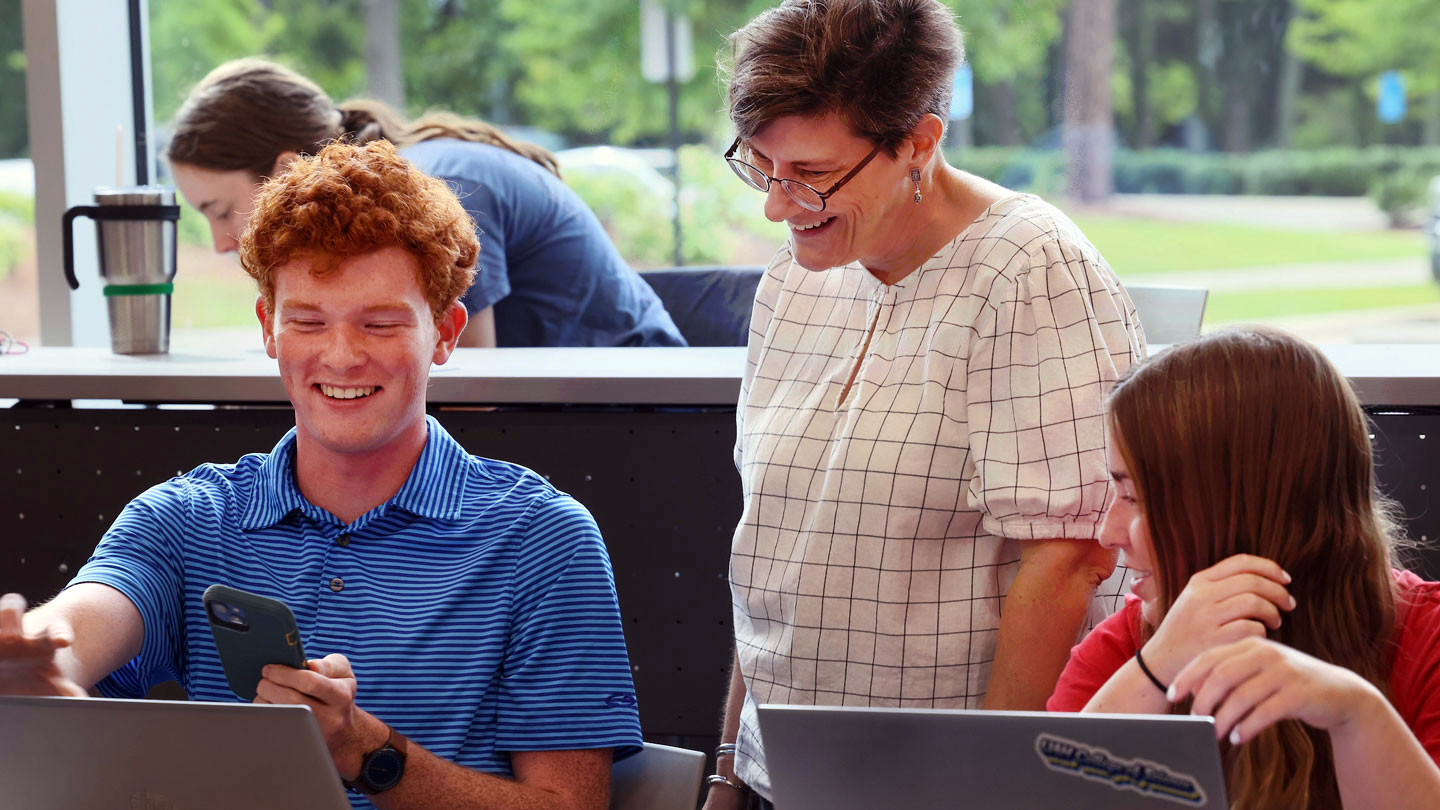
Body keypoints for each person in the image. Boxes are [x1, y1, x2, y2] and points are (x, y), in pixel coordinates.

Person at [0, 141, 642, 810]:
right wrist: (33, 667)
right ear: (269, 328)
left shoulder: (541, 539)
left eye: (381, 323)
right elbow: (79, 629)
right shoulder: (184, 519)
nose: (341, 356)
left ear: (447, 332)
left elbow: (570, 808)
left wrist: (365, 750)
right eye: (307, 321)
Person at [706, 1, 1144, 806]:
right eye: (760, 165)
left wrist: (992, 783)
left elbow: (1071, 556)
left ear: (919, 141)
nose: (777, 204)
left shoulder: (1028, 270)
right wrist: (730, 769)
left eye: (810, 173)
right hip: (788, 770)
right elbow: (775, 549)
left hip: (940, 780)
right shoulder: (793, 280)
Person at [1048, 327, 1440, 809]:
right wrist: (1153, 672)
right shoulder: (1129, 647)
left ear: (1235, 511)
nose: (1107, 533)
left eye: (1132, 496)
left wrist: (1357, 715)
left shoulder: (1426, 639)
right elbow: (1042, 790)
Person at [164, 57, 685, 349]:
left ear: (280, 173)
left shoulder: (434, 194)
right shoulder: (403, 188)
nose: (217, 242)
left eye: (217, 210)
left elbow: (469, 388)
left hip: (641, 418)